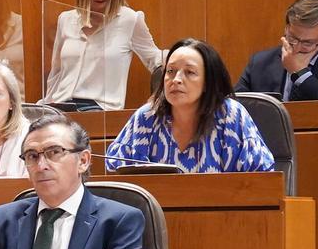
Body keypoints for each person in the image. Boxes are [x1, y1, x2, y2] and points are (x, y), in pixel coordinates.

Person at [0, 115, 143, 249]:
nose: (41, 166)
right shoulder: (2, 220)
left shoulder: (119, 220)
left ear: (83, 161)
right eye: (32, 156)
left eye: (54, 152)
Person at [107, 38, 276, 173]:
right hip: (157, 215)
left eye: (190, 72)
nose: (176, 79)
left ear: (208, 82)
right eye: (170, 71)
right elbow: (117, 173)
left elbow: (261, 175)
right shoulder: (147, 117)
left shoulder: (230, 115)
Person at [41, 0, 164, 111]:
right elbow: (56, 74)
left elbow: (156, 59)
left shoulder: (130, 19)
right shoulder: (65, 19)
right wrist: (46, 106)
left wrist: (158, 95)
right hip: (60, 105)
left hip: (99, 108)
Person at [235, 0, 318, 101]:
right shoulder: (259, 62)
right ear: (287, 27)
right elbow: (234, 108)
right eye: (292, 38)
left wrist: (301, 74)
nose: (296, 48)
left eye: (307, 43)